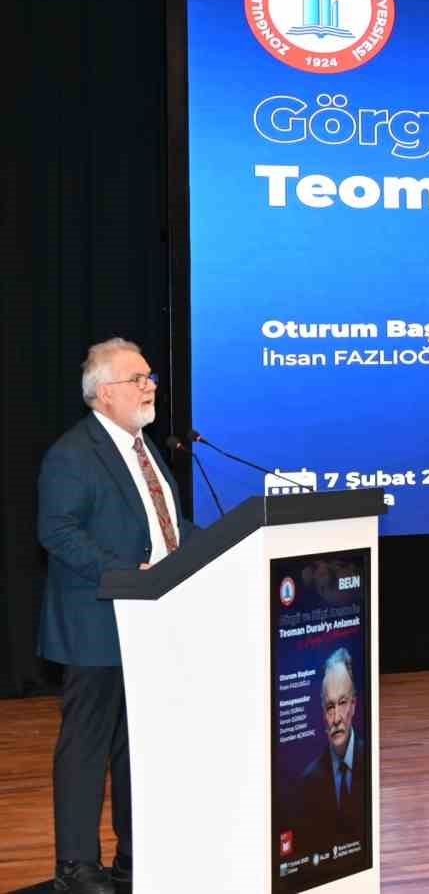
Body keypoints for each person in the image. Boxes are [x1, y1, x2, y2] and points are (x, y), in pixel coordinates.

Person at [37, 339, 194, 894]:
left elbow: (167, 527)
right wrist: (127, 573)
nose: (151, 385)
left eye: (150, 376)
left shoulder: (144, 447)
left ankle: (135, 855)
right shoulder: (73, 454)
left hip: (153, 620)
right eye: (139, 378)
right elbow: (56, 531)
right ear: (105, 393)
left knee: (139, 745)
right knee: (87, 745)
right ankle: (76, 866)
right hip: (98, 622)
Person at [286, 647, 368, 855]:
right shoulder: (308, 783)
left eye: (342, 703)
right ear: (323, 713)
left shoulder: (371, 760)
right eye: (330, 706)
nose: (336, 718)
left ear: (354, 705)